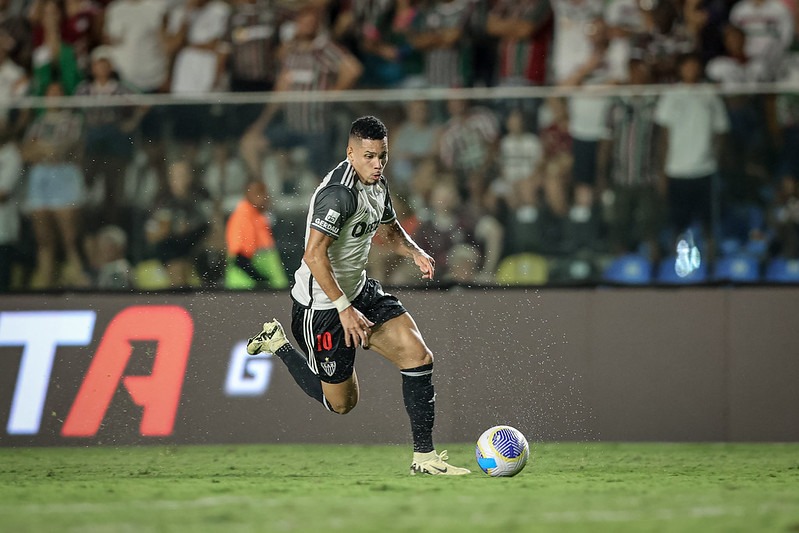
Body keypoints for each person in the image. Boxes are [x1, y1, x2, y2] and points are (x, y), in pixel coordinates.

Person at [245, 116, 470, 476]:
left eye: (382, 156)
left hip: (359, 291)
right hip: (320, 307)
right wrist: (343, 309)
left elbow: (391, 229)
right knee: (342, 405)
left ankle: (424, 459)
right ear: (350, 153)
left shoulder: (377, 184)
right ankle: (278, 345)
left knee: (417, 355)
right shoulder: (340, 194)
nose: (377, 164)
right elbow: (314, 256)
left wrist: (413, 252)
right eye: (368, 156)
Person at [225, 180, 289, 289]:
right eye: (260, 193)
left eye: (265, 193)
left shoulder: (257, 218)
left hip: (259, 290)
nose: (266, 197)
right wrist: (263, 282)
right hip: (247, 288)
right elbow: (240, 259)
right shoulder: (244, 218)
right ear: (247, 195)